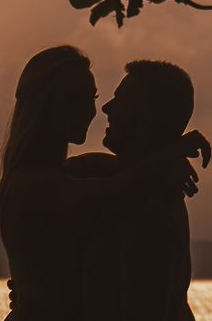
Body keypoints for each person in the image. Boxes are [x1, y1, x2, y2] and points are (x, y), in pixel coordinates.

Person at [0, 46, 206, 321]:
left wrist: (164, 158)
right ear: (43, 105)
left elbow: (121, 173)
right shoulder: (34, 186)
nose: (96, 108)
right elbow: (118, 187)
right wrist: (172, 152)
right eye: (74, 98)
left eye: (91, 96)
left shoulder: (76, 174)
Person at [73, 60, 199, 320]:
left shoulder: (145, 209)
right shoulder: (142, 187)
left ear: (144, 117)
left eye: (119, 100)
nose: (107, 108)